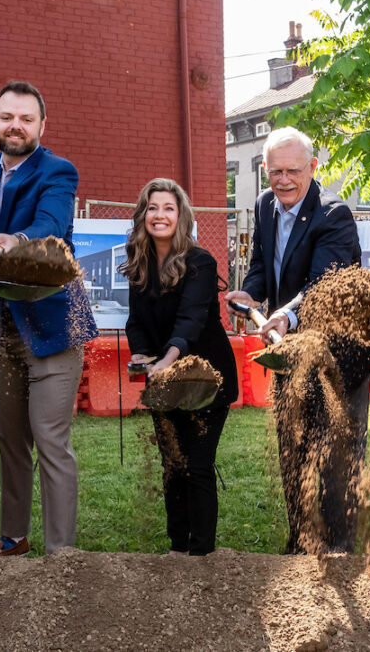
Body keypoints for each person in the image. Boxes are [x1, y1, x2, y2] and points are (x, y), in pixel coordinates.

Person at [0, 80, 97, 559]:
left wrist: (14, 239)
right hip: (5, 324)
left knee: (50, 439)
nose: (16, 126)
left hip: (54, 322)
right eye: (7, 117)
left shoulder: (59, 171)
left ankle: (60, 553)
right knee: (11, 439)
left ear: (41, 125)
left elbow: (51, 225)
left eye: (26, 119)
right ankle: (13, 539)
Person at [223, 126, 366, 554]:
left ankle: (338, 549)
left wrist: (286, 315)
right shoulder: (266, 206)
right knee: (294, 445)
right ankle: (302, 541)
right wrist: (250, 292)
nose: (283, 180)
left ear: (313, 167)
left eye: (292, 171)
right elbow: (263, 265)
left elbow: (324, 283)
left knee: (337, 449)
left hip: (340, 351)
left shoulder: (334, 214)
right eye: (274, 172)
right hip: (287, 352)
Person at [122, 178, 239, 556]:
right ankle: (177, 548)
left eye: (168, 208)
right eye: (153, 208)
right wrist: (141, 354)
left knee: (199, 464)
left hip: (205, 377)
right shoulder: (138, 259)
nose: (160, 215)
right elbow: (136, 320)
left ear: (181, 215)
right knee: (173, 462)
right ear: (143, 215)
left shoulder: (199, 261)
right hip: (164, 377)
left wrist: (165, 362)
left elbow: (190, 320)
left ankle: (202, 552)